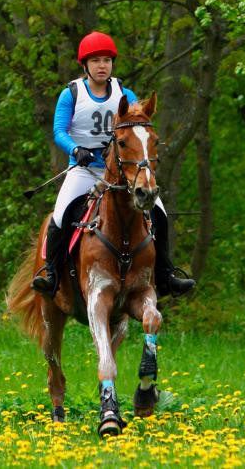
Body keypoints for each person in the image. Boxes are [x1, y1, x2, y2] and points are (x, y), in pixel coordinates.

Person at [32, 31, 195, 298]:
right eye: (95, 61)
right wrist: (76, 149)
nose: (102, 66)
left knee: (160, 215)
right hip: (84, 170)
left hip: (122, 173)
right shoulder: (71, 93)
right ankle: (51, 274)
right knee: (60, 216)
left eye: (106, 60)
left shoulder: (125, 93)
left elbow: (137, 127)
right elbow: (59, 131)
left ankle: (166, 276)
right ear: (85, 65)